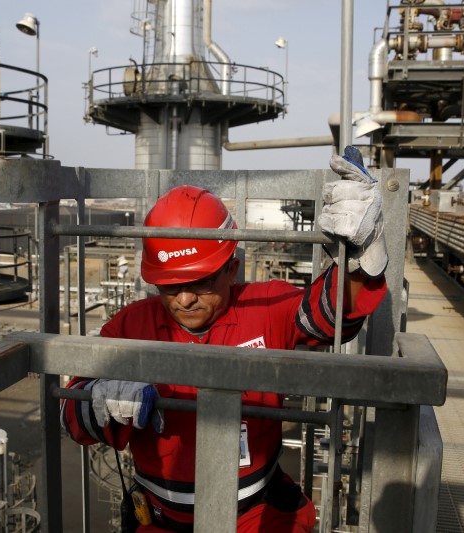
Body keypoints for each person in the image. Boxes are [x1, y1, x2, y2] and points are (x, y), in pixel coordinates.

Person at [61, 147, 389, 532]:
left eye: (199, 282)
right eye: (169, 286)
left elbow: (331, 315)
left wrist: (358, 259)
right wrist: (101, 401)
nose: (184, 299)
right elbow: (72, 418)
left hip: (258, 517)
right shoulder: (131, 325)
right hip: (159, 521)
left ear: (231, 269)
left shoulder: (266, 306)